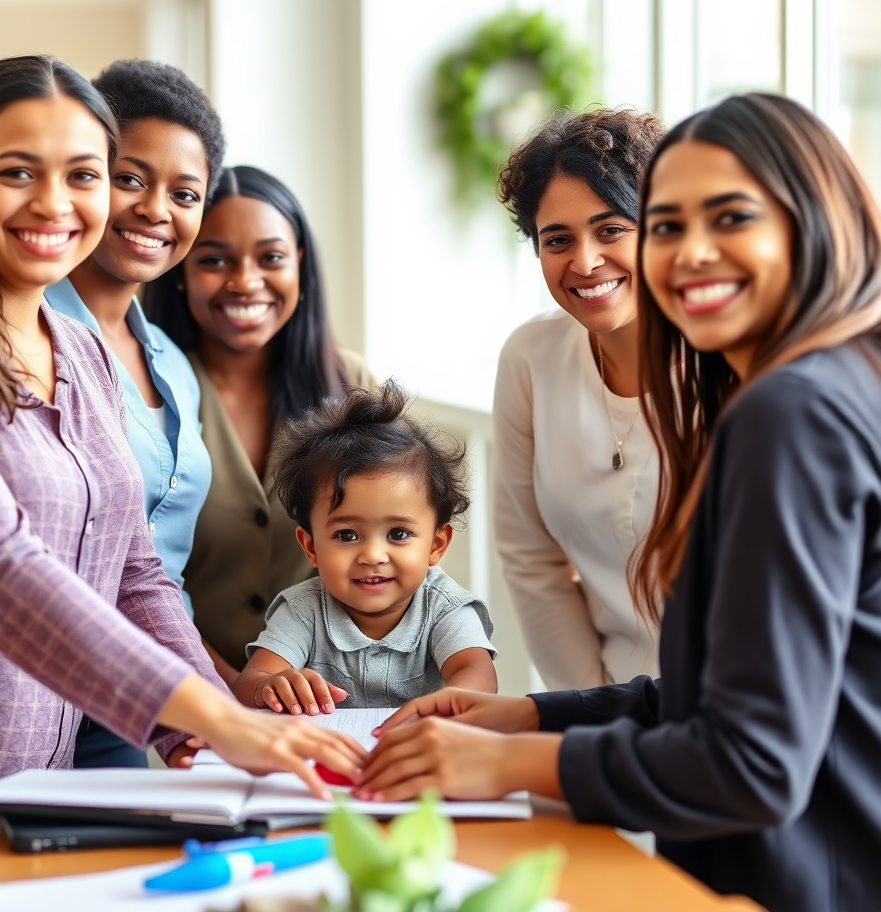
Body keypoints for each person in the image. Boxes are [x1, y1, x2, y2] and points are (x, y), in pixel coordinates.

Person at [355, 93, 881, 912]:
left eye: (731, 217)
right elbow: (730, 689)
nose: (691, 253)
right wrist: (530, 714)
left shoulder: (791, 412)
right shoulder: (834, 383)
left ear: (814, 217)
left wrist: (505, 763)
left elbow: (753, 761)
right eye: (669, 226)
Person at [0, 55, 362, 805]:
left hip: (44, 785)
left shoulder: (81, 347)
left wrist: (211, 711)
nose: (55, 203)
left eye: (85, 175)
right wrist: (216, 721)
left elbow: (135, 571)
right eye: (18, 172)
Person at [44, 59, 223, 768]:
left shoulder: (174, 366)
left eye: (185, 193)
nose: (157, 209)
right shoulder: (23, 336)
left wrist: (211, 694)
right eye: (130, 178)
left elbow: (151, 569)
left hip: (139, 703)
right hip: (33, 690)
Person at [144, 166, 374, 682]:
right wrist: (229, 693)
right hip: (187, 701)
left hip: (337, 702)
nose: (245, 281)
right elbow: (135, 578)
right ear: (179, 267)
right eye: (215, 260)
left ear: (300, 264)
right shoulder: (142, 394)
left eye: (270, 257)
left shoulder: (352, 383)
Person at [492, 109, 664, 690]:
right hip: (600, 703)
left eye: (611, 228)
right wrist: (590, 711)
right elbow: (530, 560)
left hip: (738, 711)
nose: (585, 262)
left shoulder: (731, 364)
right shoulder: (530, 359)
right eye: (557, 240)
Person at [232, 381, 497, 713]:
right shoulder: (303, 610)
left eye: (398, 534)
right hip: (327, 759)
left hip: (424, 755)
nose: (373, 555)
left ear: (436, 543)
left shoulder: (445, 608)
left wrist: (447, 706)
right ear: (311, 546)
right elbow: (250, 682)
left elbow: (477, 674)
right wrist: (270, 685)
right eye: (347, 535)